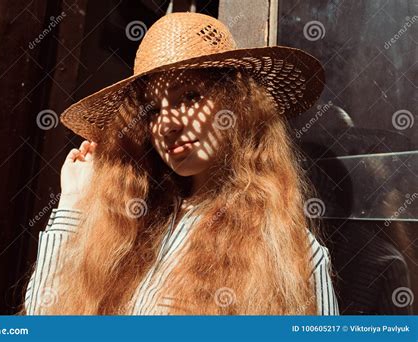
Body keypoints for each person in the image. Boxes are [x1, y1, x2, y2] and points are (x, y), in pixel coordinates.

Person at [22, 12, 339, 315]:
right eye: (154, 111)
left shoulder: (292, 252)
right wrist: (72, 205)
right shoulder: (127, 226)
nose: (167, 125)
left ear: (239, 106)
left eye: (190, 97)